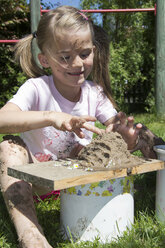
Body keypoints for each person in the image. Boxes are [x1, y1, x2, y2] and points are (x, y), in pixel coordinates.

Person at [0, 5, 151, 248]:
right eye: (65, 57)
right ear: (44, 60)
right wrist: (51, 117)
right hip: (36, 180)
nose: (78, 63)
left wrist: (126, 138)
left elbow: (112, 132)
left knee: (93, 147)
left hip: (79, 180)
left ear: (93, 50)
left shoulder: (95, 93)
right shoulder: (36, 88)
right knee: (8, 147)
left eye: (84, 53)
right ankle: (30, 235)